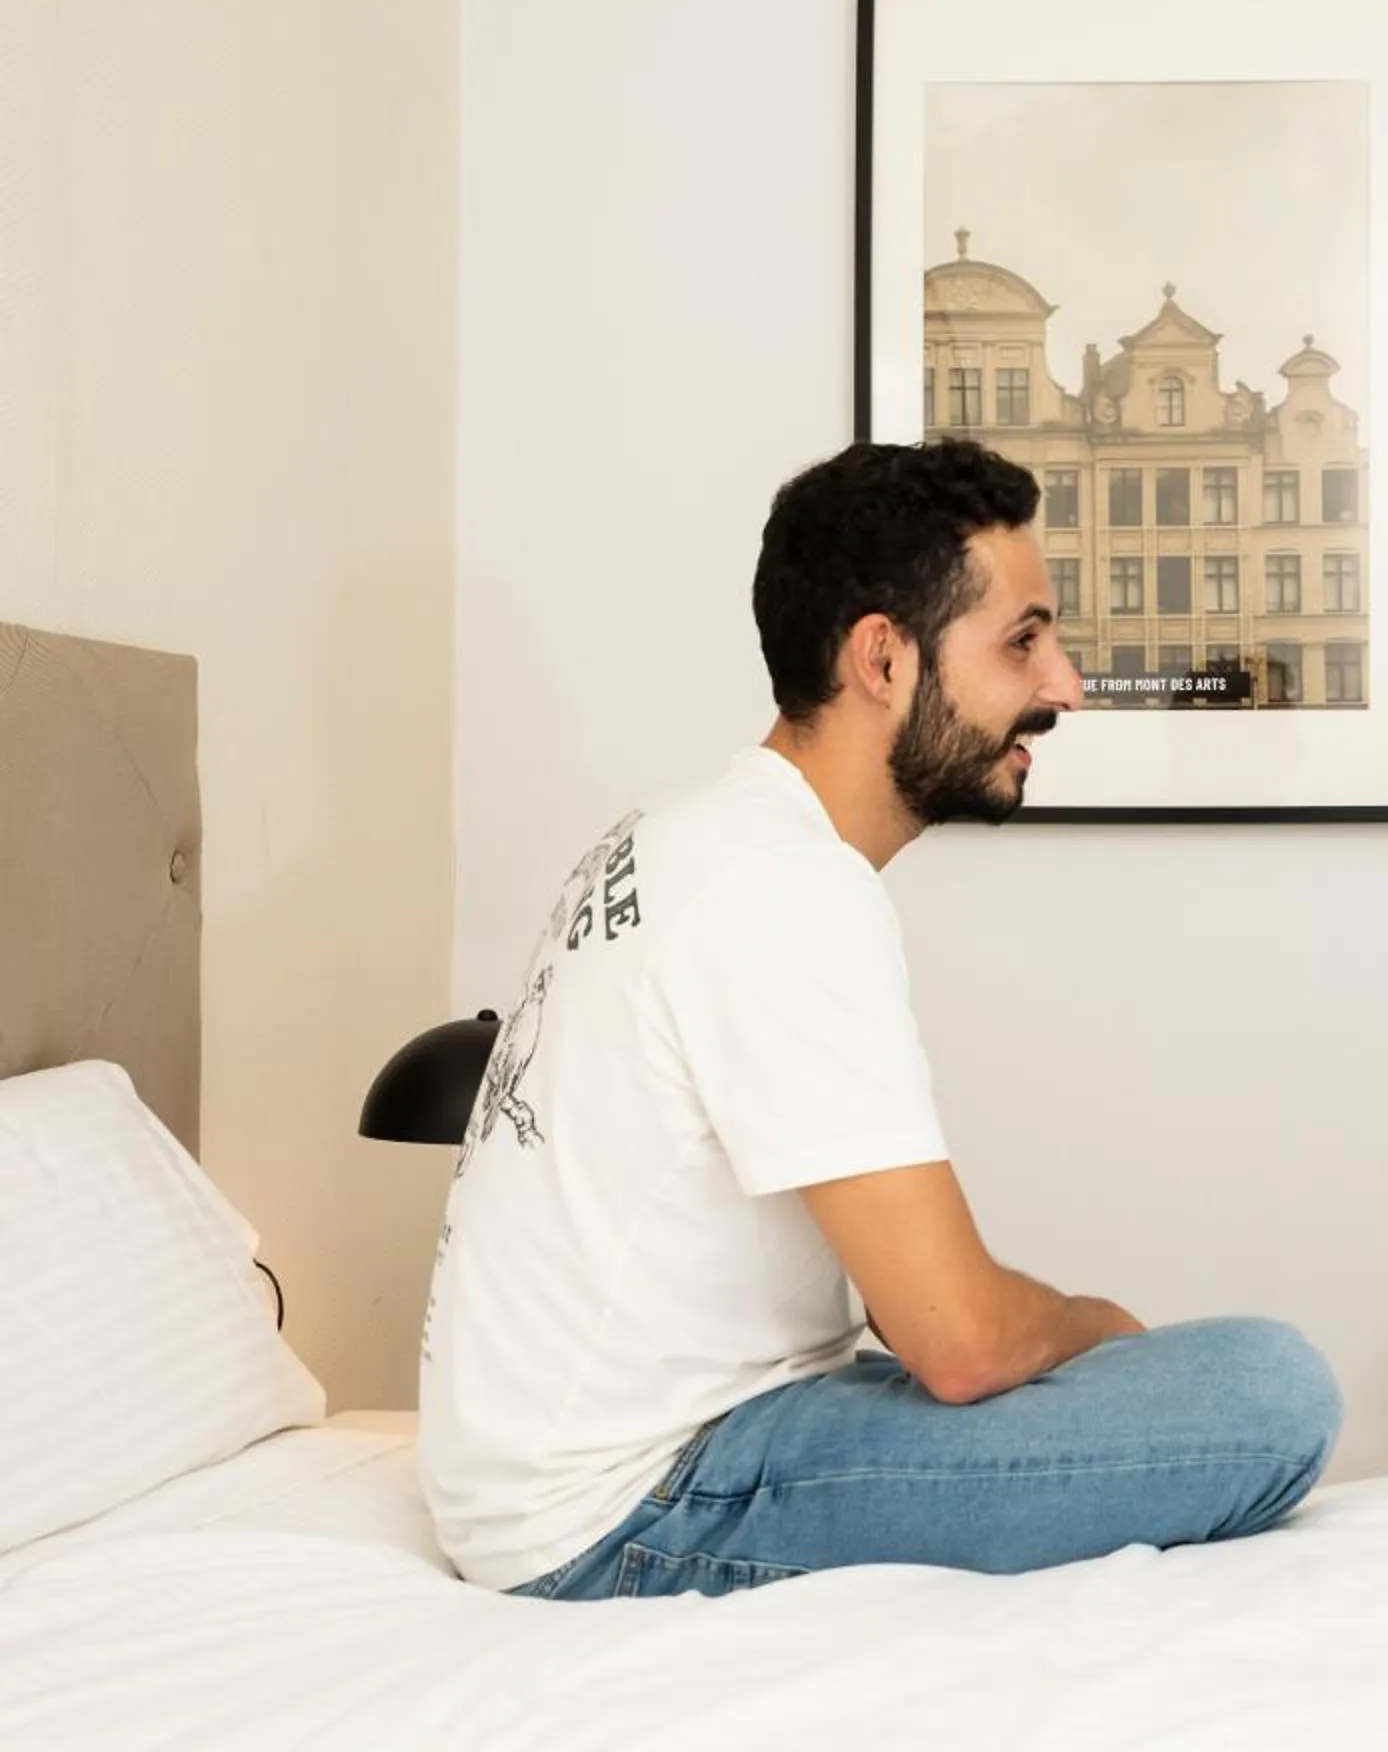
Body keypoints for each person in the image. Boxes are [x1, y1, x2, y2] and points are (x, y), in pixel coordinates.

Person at [418, 438, 1341, 1600]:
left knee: (1191, 1377)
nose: (1064, 684)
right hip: (619, 1510)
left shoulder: (684, 833)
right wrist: (1097, 1327)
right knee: (1268, 1389)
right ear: (883, 658)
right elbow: (955, 1340)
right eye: (1023, 640)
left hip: (598, 1460)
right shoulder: (783, 885)